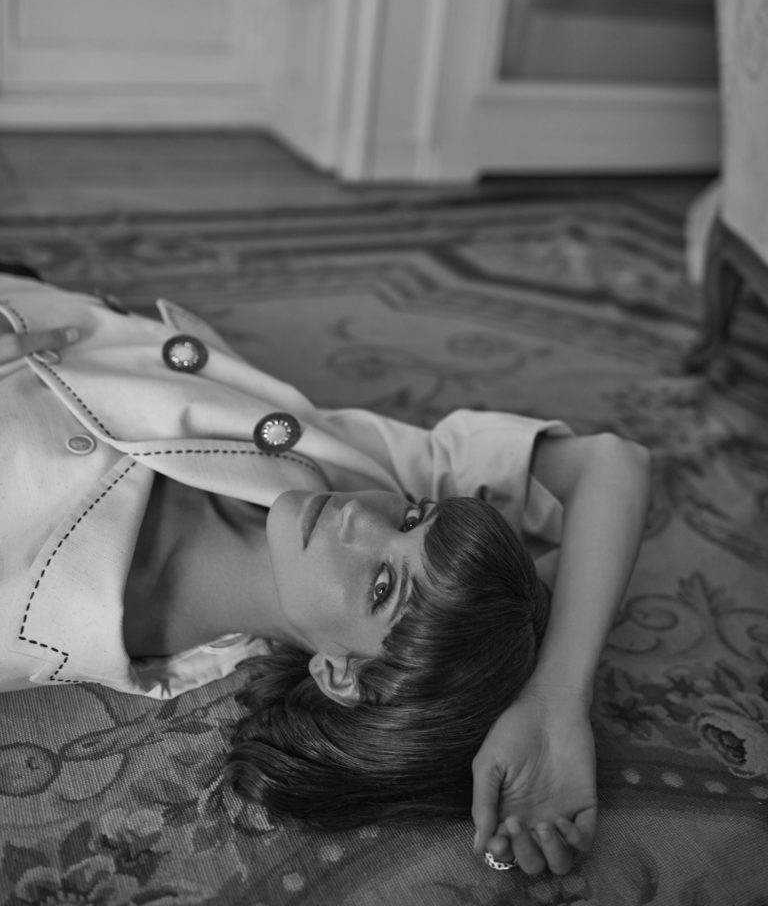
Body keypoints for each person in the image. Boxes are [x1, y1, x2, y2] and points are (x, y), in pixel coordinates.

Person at [0, 267, 651, 877]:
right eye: (413, 517)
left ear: (340, 674)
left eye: (382, 586)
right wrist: (558, 695)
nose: (360, 516)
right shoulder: (366, 470)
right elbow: (609, 463)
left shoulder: (40, 612)